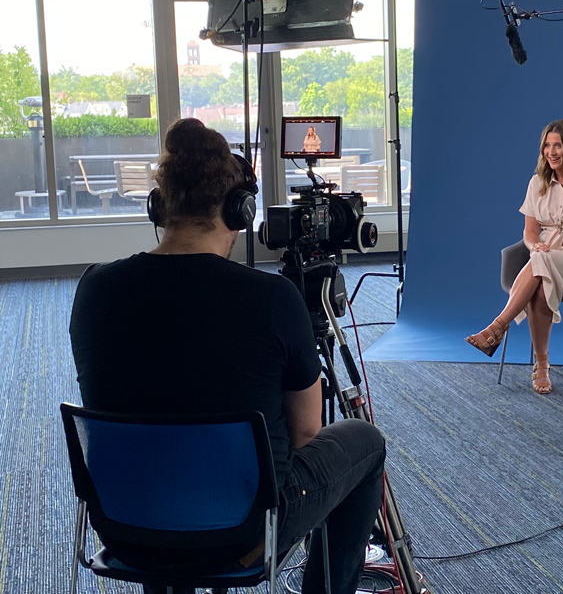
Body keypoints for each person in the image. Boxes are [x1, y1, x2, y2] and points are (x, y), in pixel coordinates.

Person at [70, 118, 384, 594]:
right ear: (239, 210)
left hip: (124, 526)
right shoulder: (275, 299)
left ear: (159, 206)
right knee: (364, 439)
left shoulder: (94, 289)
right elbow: (305, 434)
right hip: (245, 535)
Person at [465, 119, 563, 394]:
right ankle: (541, 366)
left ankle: (497, 328)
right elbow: (529, 232)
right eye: (547, 146)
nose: (551, 152)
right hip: (547, 254)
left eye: (558, 145)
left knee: (540, 263)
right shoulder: (537, 183)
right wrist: (534, 244)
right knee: (540, 276)